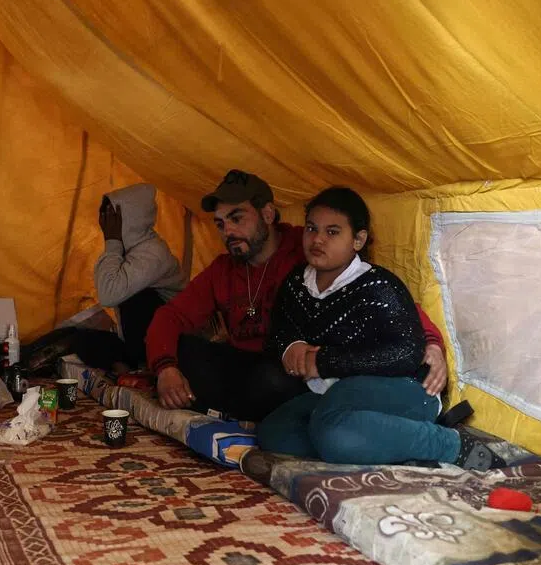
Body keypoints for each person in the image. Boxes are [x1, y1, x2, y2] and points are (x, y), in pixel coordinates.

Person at [145, 170, 448, 421]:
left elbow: (374, 291)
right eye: (221, 224)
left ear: (267, 213)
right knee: (183, 351)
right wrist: (166, 369)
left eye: (237, 219)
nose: (228, 232)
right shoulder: (223, 269)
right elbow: (170, 316)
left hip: (295, 372)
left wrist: (431, 342)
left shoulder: (307, 250)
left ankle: (236, 410)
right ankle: (234, 408)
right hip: (248, 365)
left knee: (270, 381)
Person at [256, 188, 505, 470]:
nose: (318, 239)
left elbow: (406, 354)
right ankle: (380, 440)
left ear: (358, 240)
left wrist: (322, 362)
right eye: (311, 229)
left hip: (406, 389)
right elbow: (278, 330)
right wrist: (291, 347)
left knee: (332, 429)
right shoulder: (296, 283)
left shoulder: (378, 286)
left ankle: (449, 444)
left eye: (333, 232)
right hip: (336, 394)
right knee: (273, 432)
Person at [73, 183, 187, 372]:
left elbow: (108, 295)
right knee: (80, 338)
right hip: (141, 339)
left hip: (172, 341)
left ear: (131, 218)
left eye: (111, 217)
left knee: (135, 298)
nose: (104, 223)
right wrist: (114, 244)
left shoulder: (154, 253)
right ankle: (126, 365)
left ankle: (142, 365)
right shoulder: (127, 248)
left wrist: (112, 241)